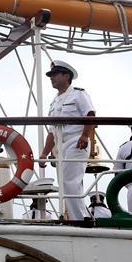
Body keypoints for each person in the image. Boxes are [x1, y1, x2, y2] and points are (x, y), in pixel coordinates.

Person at [39, 60, 95, 221]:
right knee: (66, 184)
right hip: (60, 145)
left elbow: (90, 114)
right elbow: (52, 131)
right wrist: (44, 153)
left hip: (76, 141)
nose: (51, 78)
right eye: (51, 75)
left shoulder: (79, 94)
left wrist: (85, 136)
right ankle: (82, 217)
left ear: (66, 76)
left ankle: (79, 220)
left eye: (55, 74)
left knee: (70, 183)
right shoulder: (54, 102)